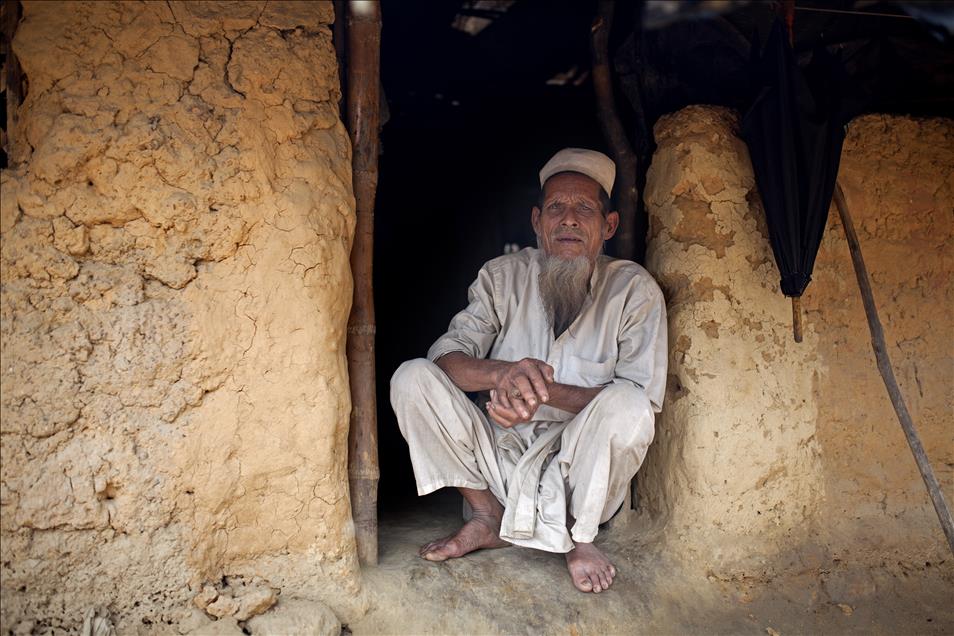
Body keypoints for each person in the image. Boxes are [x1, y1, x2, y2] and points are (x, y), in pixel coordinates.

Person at [390, 148, 667, 593]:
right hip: (498, 458)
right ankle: (486, 515)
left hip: (579, 468)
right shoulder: (501, 277)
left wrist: (540, 392)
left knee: (631, 407)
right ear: (538, 221)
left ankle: (580, 535)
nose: (569, 219)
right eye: (556, 207)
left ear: (608, 225)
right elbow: (447, 358)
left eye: (585, 208)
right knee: (411, 377)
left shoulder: (634, 291)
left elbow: (639, 401)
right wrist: (501, 375)